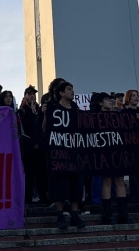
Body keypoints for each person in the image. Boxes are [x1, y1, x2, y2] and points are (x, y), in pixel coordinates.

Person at [44, 80, 86, 230]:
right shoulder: (52, 108)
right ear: (61, 93)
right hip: (59, 153)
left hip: (75, 153)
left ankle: (75, 214)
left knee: (76, 184)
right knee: (60, 184)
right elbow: (45, 129)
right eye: (69, 89)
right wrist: (44, 115)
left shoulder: (76, 109)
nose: (72, 91)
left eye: (72, 88)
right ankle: (60, 215)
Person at [90, 92, 129, 224]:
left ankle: (123, 212)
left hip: (117, 151)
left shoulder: (117, 116)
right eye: (107, 99)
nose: (110, 101)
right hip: (103, 152)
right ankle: (107, 213)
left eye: (111, 99)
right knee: (106, 180)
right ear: (100, 102)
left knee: (119, 180)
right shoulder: (94, 117)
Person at [19, 86, 47, 204]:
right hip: (28, 148)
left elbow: (43, 128)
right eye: (29, 94)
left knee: (41, 174)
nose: (32, 96)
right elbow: (22, 130)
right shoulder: (21, 111)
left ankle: (43, 197)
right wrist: (31, 144)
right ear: (25, 96)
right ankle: (28, 199)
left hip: (40, 147)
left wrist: (40, 143)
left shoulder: (41, 110)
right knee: (29, 175)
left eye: (33, 94)